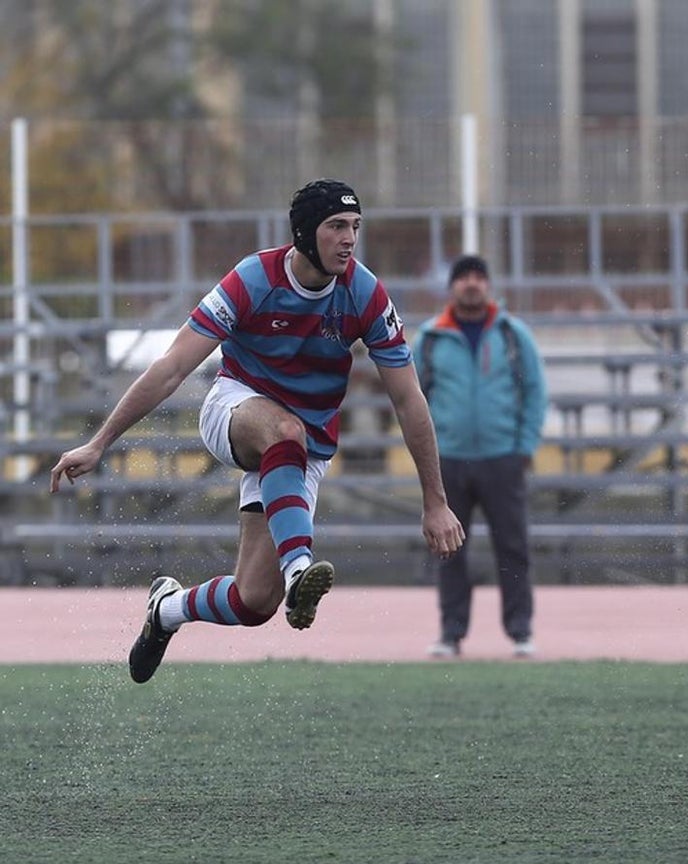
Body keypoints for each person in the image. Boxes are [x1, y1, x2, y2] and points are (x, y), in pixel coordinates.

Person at [49, 179, 465, 683]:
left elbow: (408, 398)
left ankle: (166, 610)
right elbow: (172, 368)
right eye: (336, 227)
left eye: (355, 227)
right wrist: (100, 443)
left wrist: (435, 501)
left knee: (253, 602)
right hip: (234, 412)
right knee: (284, 431)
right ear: (304, 234)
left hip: (302, 450)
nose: (349, 239)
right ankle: (299, 573)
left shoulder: (365, 294)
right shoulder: (254, 278)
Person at [414, 255, 548, 658]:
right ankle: (451, 634)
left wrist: (523, 446)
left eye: (478, 277)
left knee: (512, 546)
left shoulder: (511, 334)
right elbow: (412, 398)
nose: (471, 284)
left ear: (488, 285)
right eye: (463, 278)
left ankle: (520, 631)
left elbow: (535, 392)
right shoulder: (432, 338)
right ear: (452, 287)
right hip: (448, 461)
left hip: (501, 457)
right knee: (448, 549)